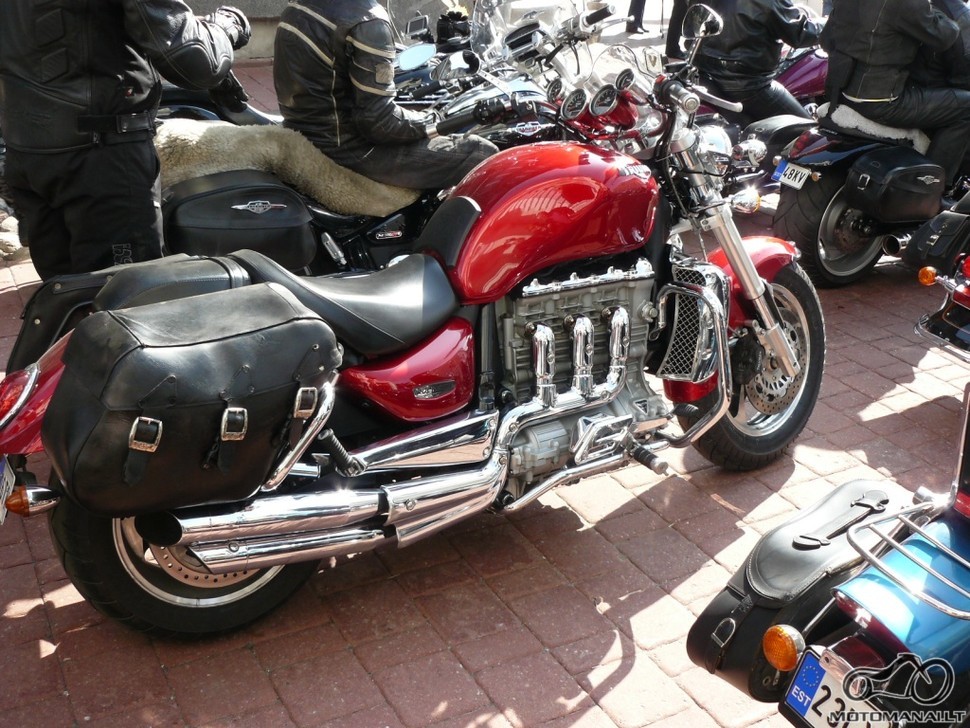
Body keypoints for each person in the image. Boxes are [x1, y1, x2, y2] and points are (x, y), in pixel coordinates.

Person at [0, 2, 251, 282]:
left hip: (30, 151)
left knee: (66, 295)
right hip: (101, 159)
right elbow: (196, 59)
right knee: (127, 293)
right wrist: (226, 26)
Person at [273, 0, 498, 191]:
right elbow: (379, 122)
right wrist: (432, 119)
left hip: (305, 130)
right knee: (481, 153)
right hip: (347, 149)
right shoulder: (368, 20)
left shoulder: (297, 7)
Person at [821, 0, 970, 190]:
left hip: (839, 93)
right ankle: (932, 188)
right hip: (881, 100)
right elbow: (946, 35)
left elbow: (825, 40)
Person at [692, 0, 823, 126]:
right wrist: (830, 25)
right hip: (747, 83)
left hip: (702, 75)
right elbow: (799, 33)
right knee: (807, 132)